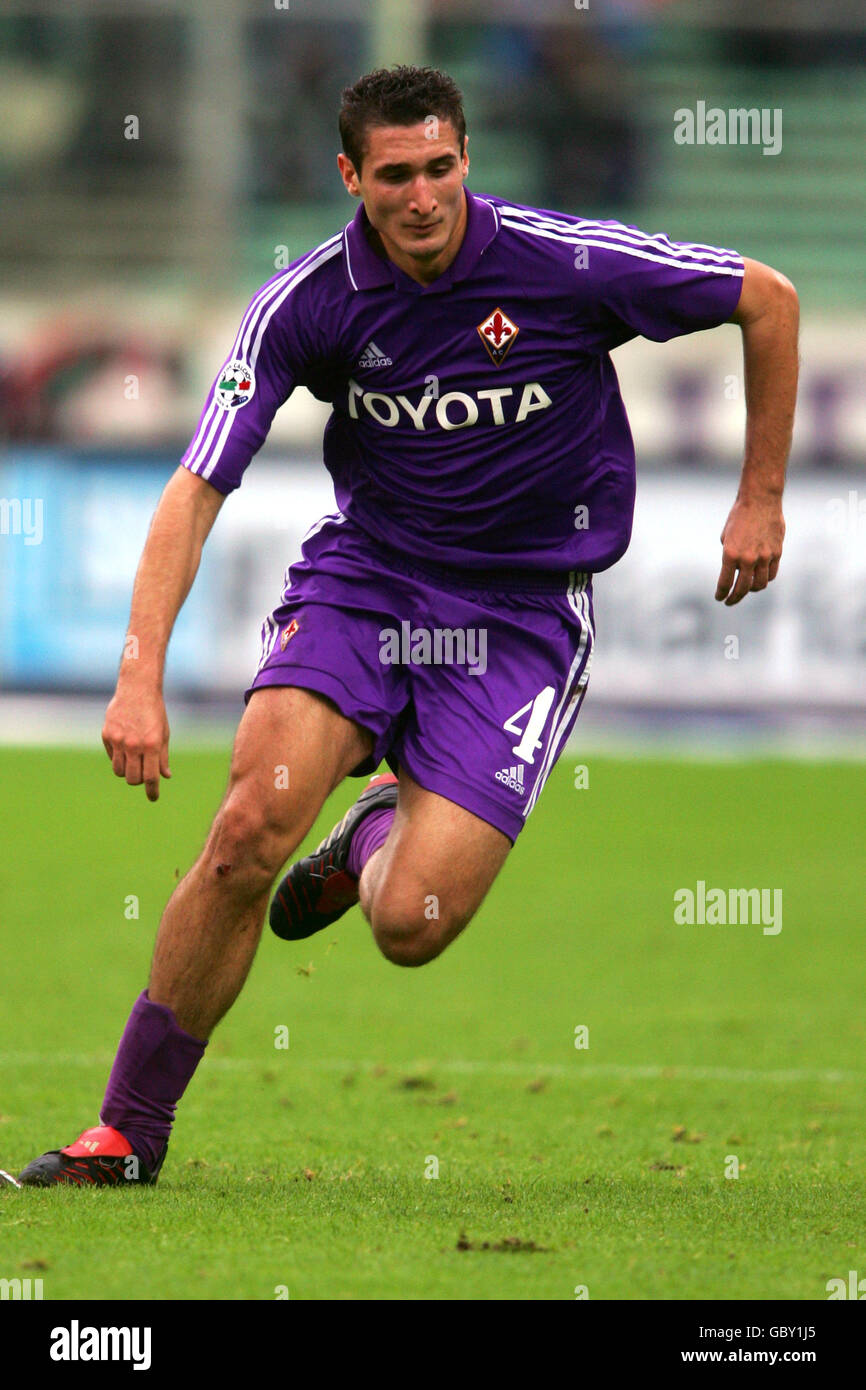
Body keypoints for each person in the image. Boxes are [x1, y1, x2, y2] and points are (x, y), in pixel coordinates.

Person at [17, 65, 797, 1187]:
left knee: (411, 925)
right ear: (351, 177)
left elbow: (764, 298)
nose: (422, 195)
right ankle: (127, 1132)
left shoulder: (562, 263)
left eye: (440, 167)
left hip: (523, 614)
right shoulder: (307, 302)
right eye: (395, 175)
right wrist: (137, 677)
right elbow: (194, 489)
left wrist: (758, 495)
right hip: (370, 582)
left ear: (466, 158)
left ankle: (377, 826)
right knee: (245, 829)